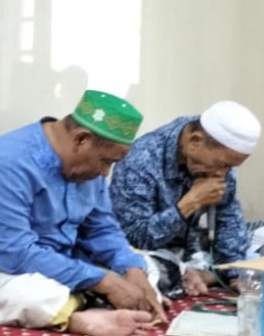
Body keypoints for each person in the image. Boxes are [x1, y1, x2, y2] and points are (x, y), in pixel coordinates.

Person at [0, 90, 166, 336]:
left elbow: (102, 229)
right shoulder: (5, 163)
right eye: (106, 162)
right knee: (32, 296)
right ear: (81, 139)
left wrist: (132, 271)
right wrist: (102, 282)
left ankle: (89, 302)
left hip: (60, 261)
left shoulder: (86, 168)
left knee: (143, 264)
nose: (106, 173)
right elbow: (14, 253)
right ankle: (80, 318)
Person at [110, 101, 260, 296]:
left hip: (196, 247)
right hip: (155, 253)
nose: (223, 174)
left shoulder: (218, 154)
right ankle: (196, 274)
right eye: (222, 165)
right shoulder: (140, 160)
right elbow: (134, 238)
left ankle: (209, 274)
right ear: (195, 141)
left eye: (230, 167)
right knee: (142, 271)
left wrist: (235, 273)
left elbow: (229, 218)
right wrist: (190, 203)